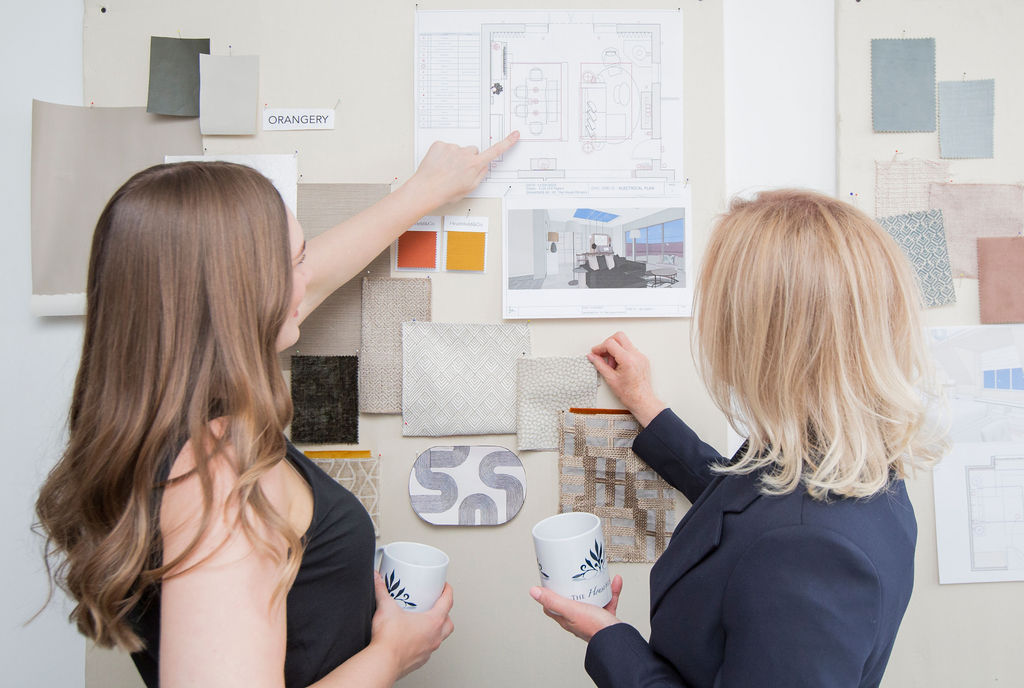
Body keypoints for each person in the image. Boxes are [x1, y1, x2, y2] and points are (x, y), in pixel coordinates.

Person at [35, 131, 519, 688]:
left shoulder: (173, 422)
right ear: (233, 299)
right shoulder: (212, 476)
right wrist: (391, 655)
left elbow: (315, 278)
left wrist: (421, 193)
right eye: (291, 265)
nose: (305, 281)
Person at [529, 189, 947, 687]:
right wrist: (646, 405)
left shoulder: (812, 551)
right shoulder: (839, 456)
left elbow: (775, 532)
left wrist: (608, 640)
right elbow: (746, 504)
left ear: (766, 337)